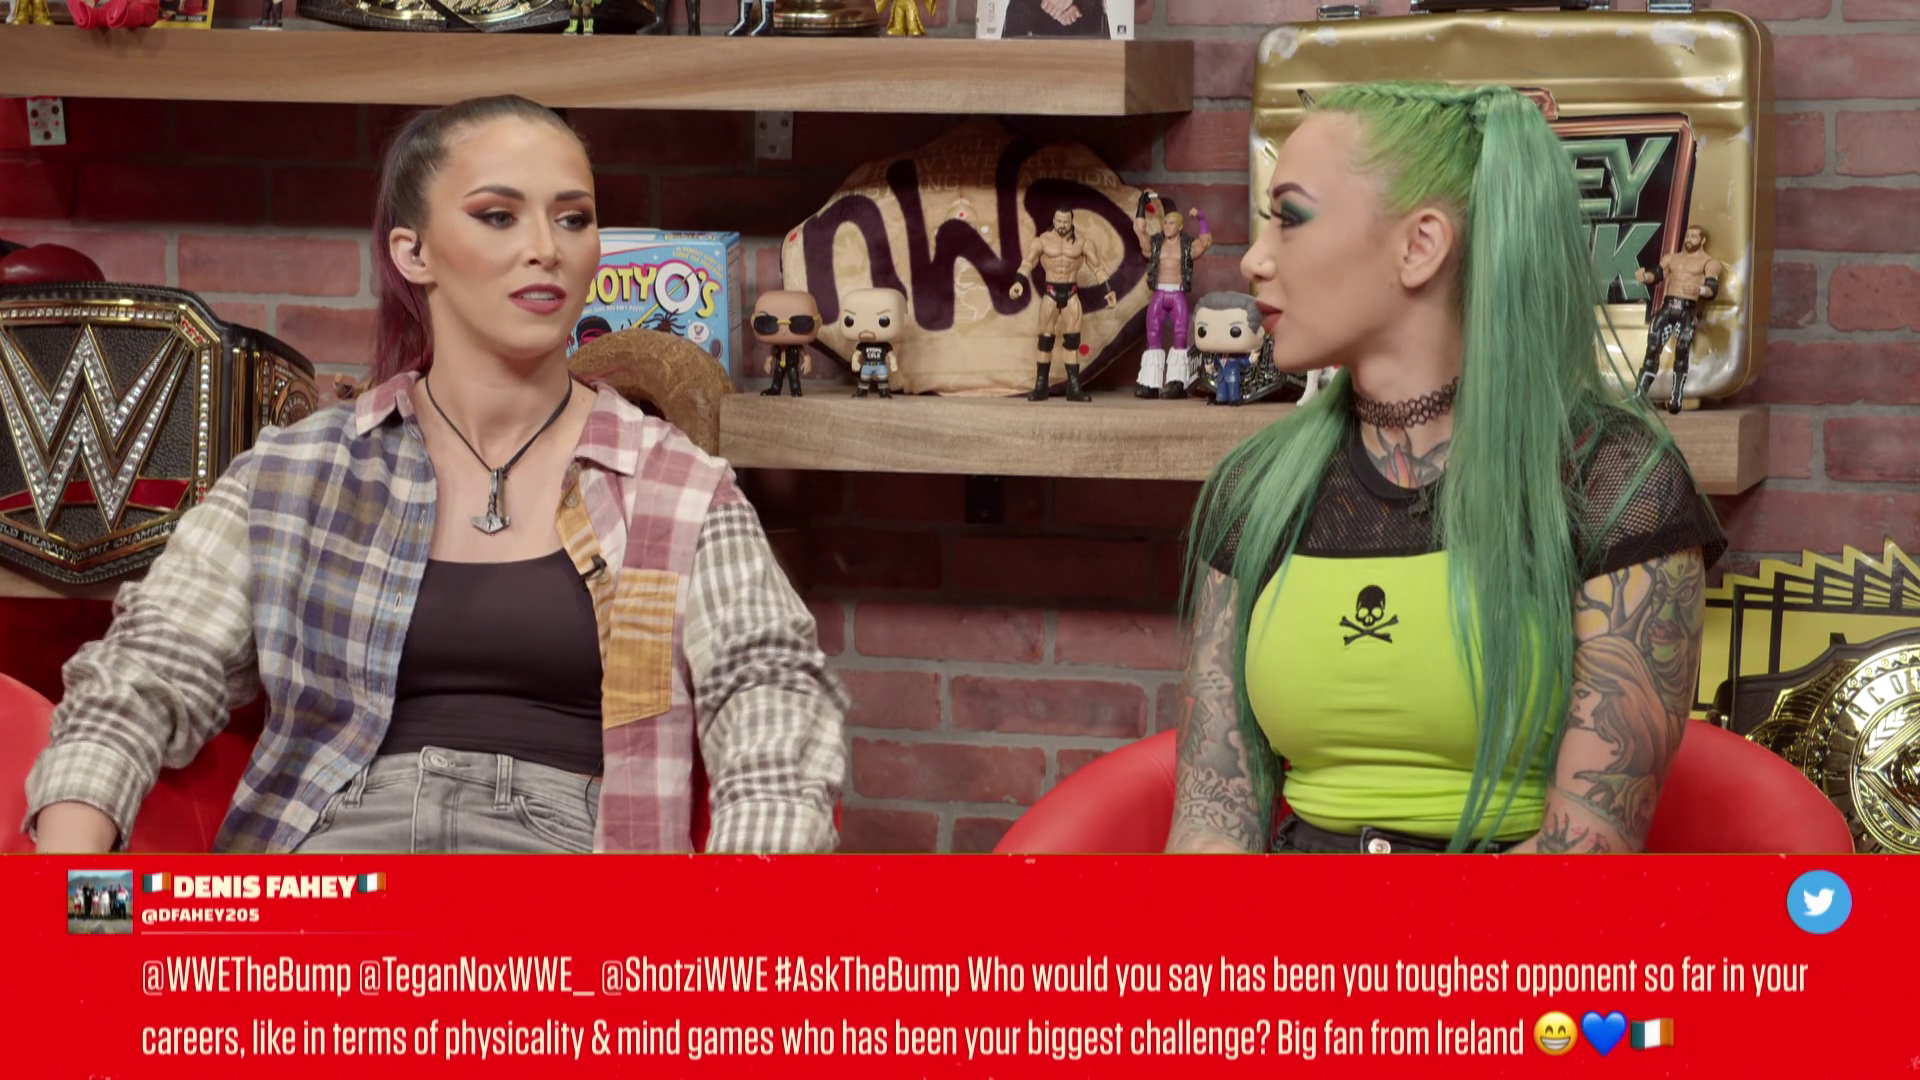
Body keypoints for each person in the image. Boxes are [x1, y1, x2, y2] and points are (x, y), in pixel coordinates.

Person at [24, 95, 848, 856]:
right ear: (412, 252)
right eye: (498, 215)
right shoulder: (296, 471)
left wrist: (729, 928)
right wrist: (67, 903)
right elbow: (145, 674)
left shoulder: (676, 484)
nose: (546, 248)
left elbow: (771, 699)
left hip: (564, 869)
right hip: (330, 861)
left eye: (573, 217)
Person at [1168, 82, 1725, 857]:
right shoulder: (1257, 486)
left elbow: (1584, 858)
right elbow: (1210, 820)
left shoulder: (1615, 481)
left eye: (1289, 218)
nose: (1255, 260)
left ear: (1420, 245)